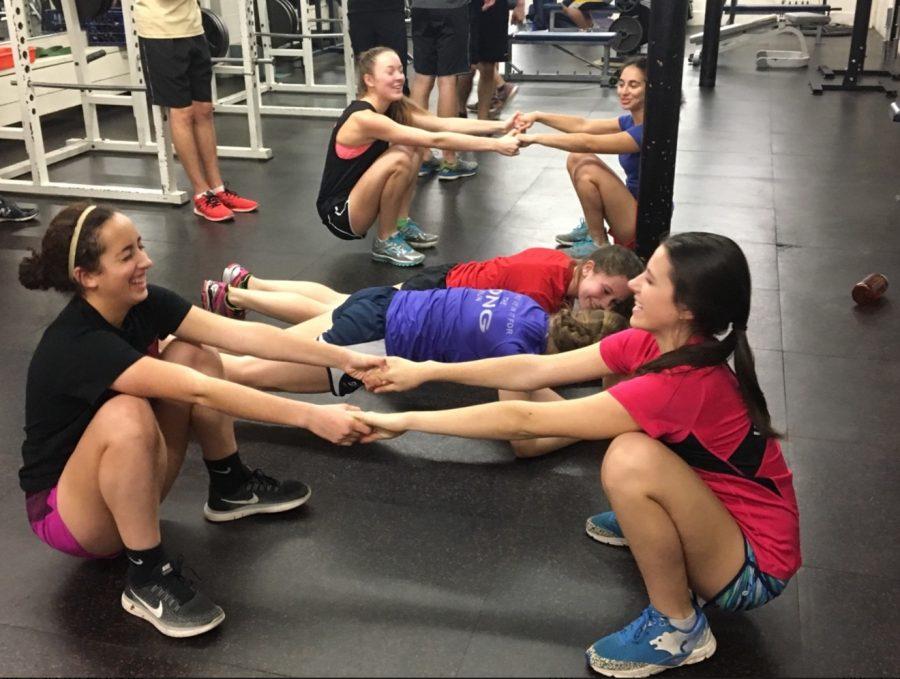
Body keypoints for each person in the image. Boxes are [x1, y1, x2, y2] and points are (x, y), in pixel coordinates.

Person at [355, 232, 801, 676]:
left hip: (752, 568)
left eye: (650, 279)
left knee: (630, 458)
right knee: (634, 448)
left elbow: (525, 421)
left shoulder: (684, 382)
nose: (633, 286)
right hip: (722, 516)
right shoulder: (652, 343)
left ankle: (679, 630)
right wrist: (428, 370)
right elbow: (535, 367)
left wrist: (406, 420)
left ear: (686, 309)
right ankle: (656, 521)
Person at [17, 204, 381, 638]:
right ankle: (146, 575)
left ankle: (230, 486)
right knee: (126, 410)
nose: (145, 261)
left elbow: (245, 336)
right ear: (87, 276)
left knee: (196, 352)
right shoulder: (77, 342)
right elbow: (196, 391)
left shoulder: (143, 304)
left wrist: (348, 358)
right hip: (71, 515)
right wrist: (311, 416)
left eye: (141, 247)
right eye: (127, 255)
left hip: (131, 482)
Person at [209, 284, 626, 401]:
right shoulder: (515, 354)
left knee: (258, 347)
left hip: (380, 299)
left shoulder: (528, 306)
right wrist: (590, 423)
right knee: (249, 375)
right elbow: (524, 435)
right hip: (371, 339)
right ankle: (167, 379)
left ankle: (176, 337)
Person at [317, 46, 520, 267]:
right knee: (400, 157)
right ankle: (386, 240)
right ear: (369, 80)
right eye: (390, 72)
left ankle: (400, 224)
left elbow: (444, 124)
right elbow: (436, 140)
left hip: (360, 200)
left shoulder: (393, 107)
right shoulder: (363, 118)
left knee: (409, 149)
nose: (399, 77)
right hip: (341, 214)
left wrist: (502, 125)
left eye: (401, 70)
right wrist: (496, 144)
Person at [199, 245, 644, 324]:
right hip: (435, 293)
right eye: (604, 291)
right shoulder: (543, 287)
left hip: (446, 279)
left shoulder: (561, 265)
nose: (601, 305)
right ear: (588, 269)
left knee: (344, 300)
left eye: (612, 303)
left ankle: (247, 281)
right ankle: (234, 296)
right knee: (337, 312)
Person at [135, 0, 257, 222]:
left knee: (204, 110)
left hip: (194, 28)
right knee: (182, 112)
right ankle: (201, 194)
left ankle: (217, 188)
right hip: (160, 33)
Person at [514, 55, 647, 255]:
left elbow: (588, 142)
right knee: (577, 157)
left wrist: (535, 139)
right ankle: (593, 229)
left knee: (588, 169)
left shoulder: (647, 130)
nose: (624, 91)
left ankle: (598, 242)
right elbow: (583, 125)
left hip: (643, 224)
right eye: (621, 84)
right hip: (628, 208)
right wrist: (538, 116)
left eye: (633, 85)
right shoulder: (630, 121)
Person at [410, 0, 494, 180]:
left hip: (420, 7)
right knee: (447, 80)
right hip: (451, 9)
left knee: (422, 78)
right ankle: (449, 160)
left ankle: (422, 155)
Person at [458, 0, 524, 120]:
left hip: (494, 8)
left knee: (488, 63)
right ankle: (460, 113)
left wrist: (520, 4)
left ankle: (482, 121)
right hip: (464, 6)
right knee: (465, 62)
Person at [346, 0, 410, 95]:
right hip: (360, 12)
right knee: (367, 72)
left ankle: (397, 107)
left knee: (394, 69)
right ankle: (369, 106)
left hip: (390, 11)